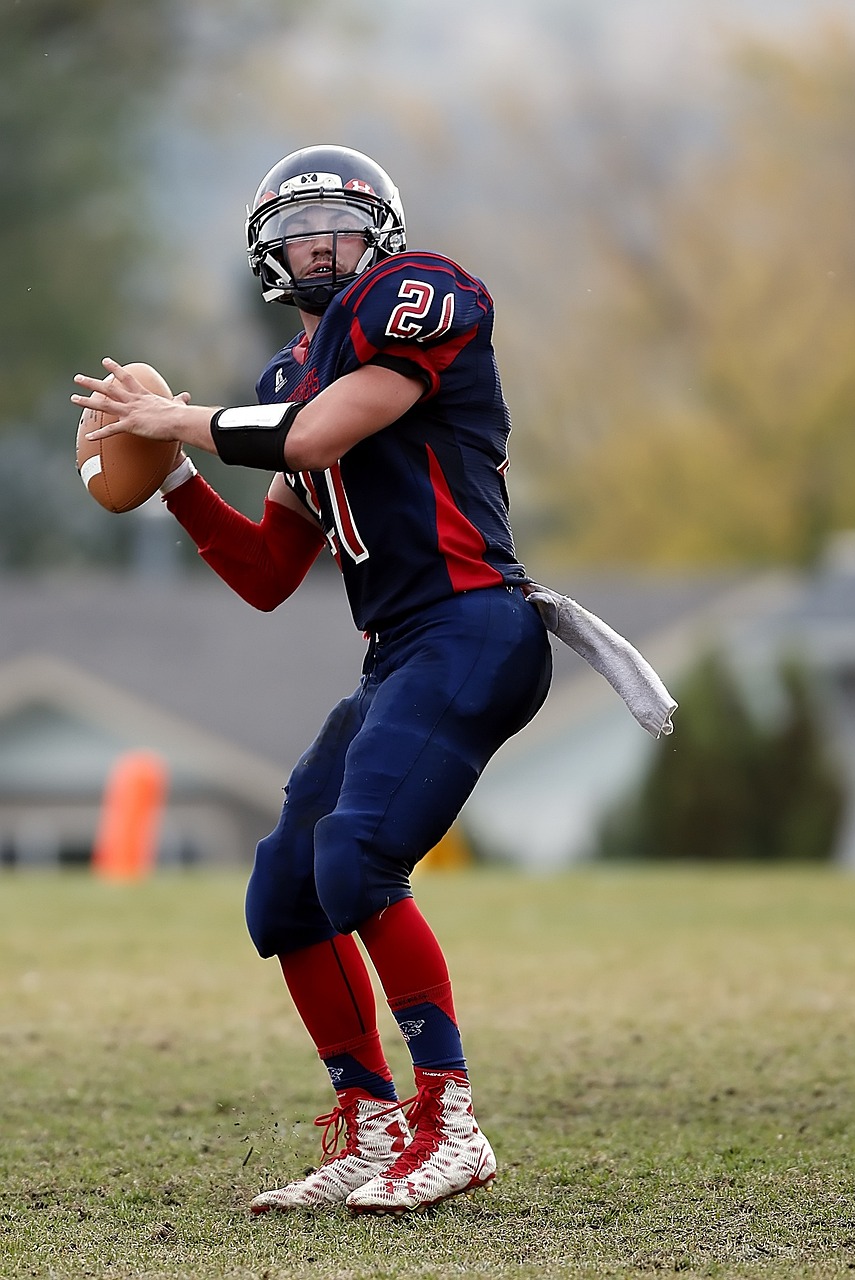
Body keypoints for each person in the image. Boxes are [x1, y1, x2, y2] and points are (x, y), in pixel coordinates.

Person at [72, 145, 555, 1216]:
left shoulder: (418, 297)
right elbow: (265, 573)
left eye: (340, 220)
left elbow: (321, 432)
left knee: (358, 852)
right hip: (399, 649)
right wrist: (178, 480)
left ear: (378, 232)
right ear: (268, 255)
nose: (321, 242)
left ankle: (450, 1121)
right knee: (287, 890)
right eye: (300, 229)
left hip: (476, 623)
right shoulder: (283, 376)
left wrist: (174, 424)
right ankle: (373, 1122)